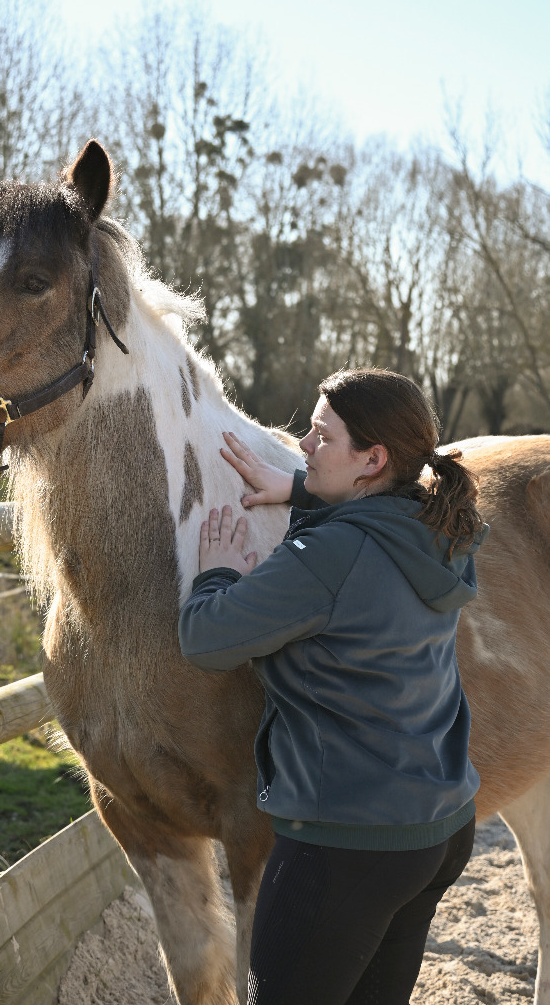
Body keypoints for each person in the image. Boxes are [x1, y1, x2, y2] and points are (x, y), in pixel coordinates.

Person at [178, 368, 489, 1005]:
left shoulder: (329, 557)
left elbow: (207, 640)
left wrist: (215, 572)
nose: (304, 447)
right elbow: (377, 533)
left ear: (372, 459)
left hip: (345, 849)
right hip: (440, 831)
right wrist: (301, 488)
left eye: (321, 437)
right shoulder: (442, 529)